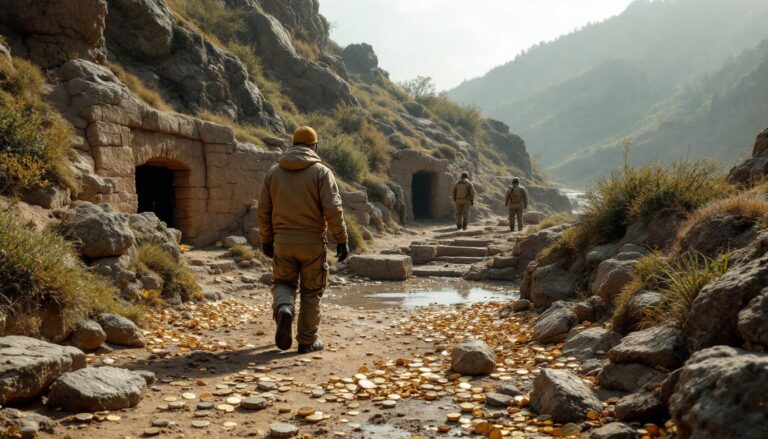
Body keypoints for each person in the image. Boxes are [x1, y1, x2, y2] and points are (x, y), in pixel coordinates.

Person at [258, 126, 349, 354]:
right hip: (312, 243)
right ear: (314, 146)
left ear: (293, 144)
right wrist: (341, 239)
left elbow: (263, 210)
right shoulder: (321, 172)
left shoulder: (274, 172)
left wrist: (266, 240)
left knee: (283, 283)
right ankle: (307, 340)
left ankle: (284, 309)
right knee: (311, 291)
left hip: (283, 241)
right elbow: (333, 209)